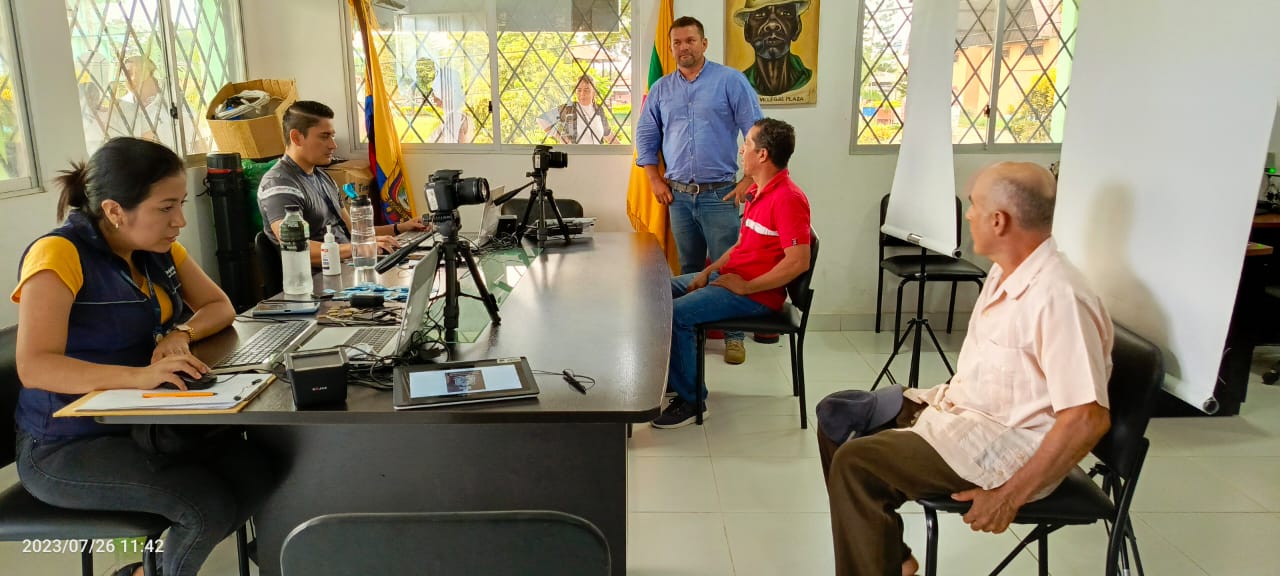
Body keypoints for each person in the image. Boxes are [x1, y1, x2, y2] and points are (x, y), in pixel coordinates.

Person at [816, 162, 1114, 576]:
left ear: (999, 220)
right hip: (966, 416)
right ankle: (891, 561)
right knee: (837, 415)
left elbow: (1087, 418)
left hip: (1007, 449)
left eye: (974, 205)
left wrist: (1009, 497)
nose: (968, 214)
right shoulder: (1004, 273)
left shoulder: (1058, 297)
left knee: (857, 464)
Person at [12, 137, 277, 576]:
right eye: (166, 207)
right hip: (64, 443)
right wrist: (139, 376)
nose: (180, 221)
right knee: (204, 506)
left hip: (143, 425)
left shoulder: (157, 250)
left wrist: (180, 333)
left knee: (256, 469)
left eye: (181, 204)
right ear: (115, 211)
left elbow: (220, 306)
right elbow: (35, 366)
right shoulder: (59, 253)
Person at [652, 118, 810, 429]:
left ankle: (692, 401)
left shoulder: (788, 199)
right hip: (731, 280)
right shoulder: (758, 191)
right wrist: (708, 271)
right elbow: (740, 245)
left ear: (762, 154)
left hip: (757, 295)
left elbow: (798, 262)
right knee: (656, 293)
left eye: (747, 143)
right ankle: (679, 377)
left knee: (677, 315)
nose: (741, 150)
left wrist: (746, 287)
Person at [636, 15, 764, 365]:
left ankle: (734, 336)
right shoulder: (661, 89)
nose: (683, 48)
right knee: (690, 268)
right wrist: (654, 179)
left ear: (704, 43)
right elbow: (646, 136)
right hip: (677, 196)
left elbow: (756, 132)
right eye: (677, 42)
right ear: (671, 47)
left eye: (690, 41)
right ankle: (690, 335)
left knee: (729, 269)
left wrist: (749, 179)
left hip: (720, 194)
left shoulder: (730, 81)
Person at [257, 101, 428, 266]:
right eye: (324, 136)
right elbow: (297, 249)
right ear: (296, 137)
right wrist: (360, 248)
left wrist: (402, 228)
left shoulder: (323, 177)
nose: (333, 145)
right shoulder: (279, 185)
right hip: (320, 280)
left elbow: (352, 231)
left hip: (350, 266)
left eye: (332, 136)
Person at [121, 55, 205, 153]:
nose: (130, 78)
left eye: (134, 72)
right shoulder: (123, 106)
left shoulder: (172, 99)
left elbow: (197, 140)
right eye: (126, 74)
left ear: (147, 73)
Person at [732, 0, 814, 96]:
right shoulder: (740, 84)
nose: (772, 25)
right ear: (747, 32)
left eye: (785, 13)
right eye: (759, 15)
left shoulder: (809, 79)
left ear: (797, 28)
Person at [537, 75, 616, 145]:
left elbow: (608, 136)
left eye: (586, 90)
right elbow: (542, 120)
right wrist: (560, 137)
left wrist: (623, 151)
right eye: (579, 90)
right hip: (575, 155)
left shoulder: (599, 110)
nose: (582, 94)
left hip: (596, 155)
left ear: (594, 92)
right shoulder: (568, 109)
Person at [428, 67, 471, 144]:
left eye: (435, 90)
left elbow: (457, 149)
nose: (432, 95)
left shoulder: (455, 119)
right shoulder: (452, 116)